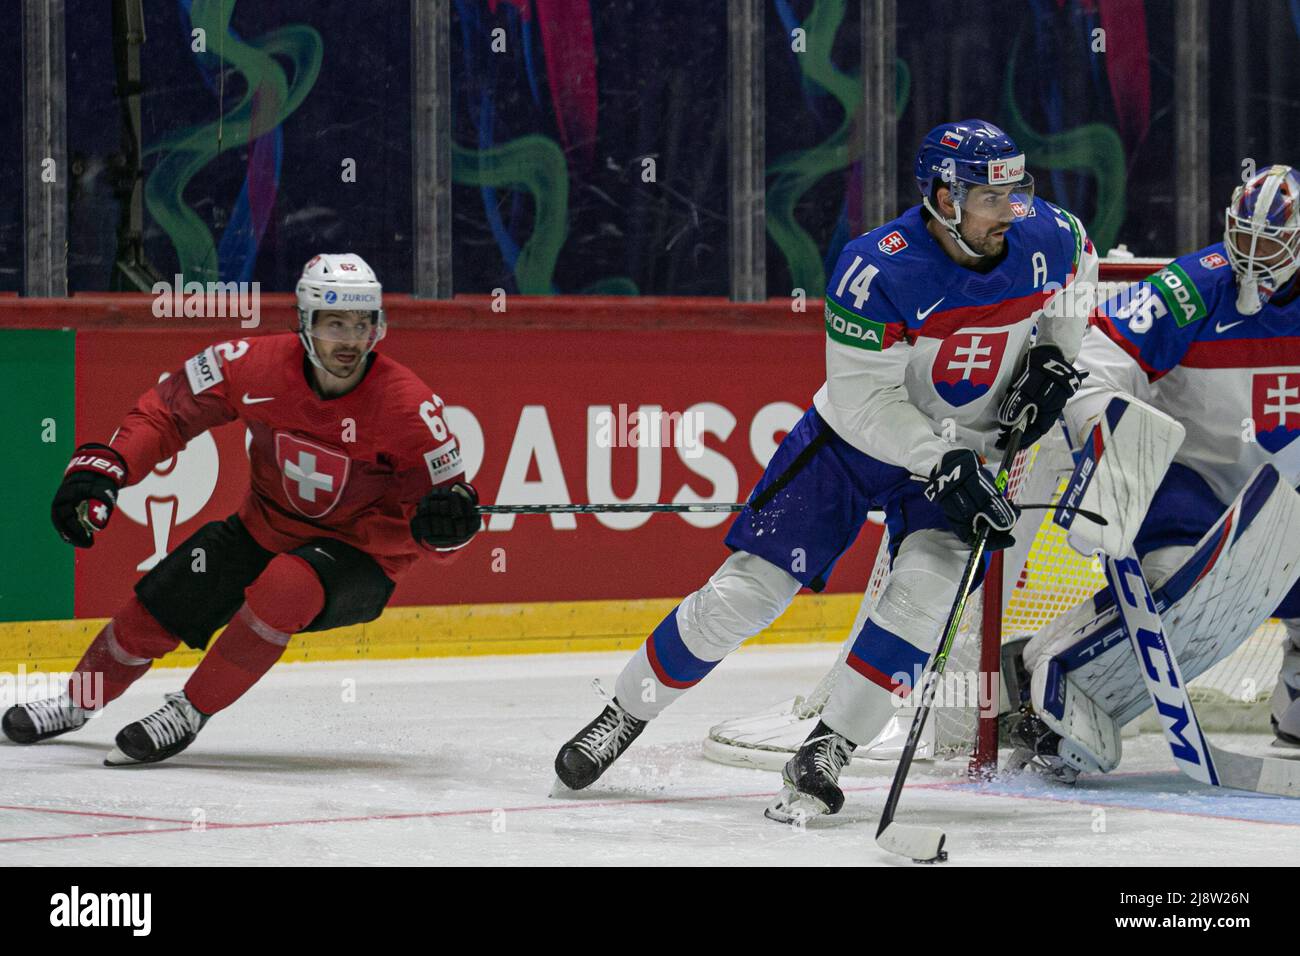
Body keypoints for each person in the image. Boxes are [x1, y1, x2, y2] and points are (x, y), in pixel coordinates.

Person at [553, 120, 1098, 821]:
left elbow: (1083, 261)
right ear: (941, 197)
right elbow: (863, 401)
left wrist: (1057, 350)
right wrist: (942, 458)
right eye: (991, 199)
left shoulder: (1046, 236)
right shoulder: (877, 268)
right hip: (853, 446)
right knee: (744, 596)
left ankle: (829, 746)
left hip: (964, 454)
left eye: (1016, 194)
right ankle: (625, 712)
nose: (1011, 211)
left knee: (924, 598)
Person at [2, 254, 481, 765]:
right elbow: (168, 412)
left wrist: (445, 530)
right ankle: (77, 702)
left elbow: (444, 517)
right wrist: (109, 466)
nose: (349, 341)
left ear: (378, 327)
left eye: (362, 324)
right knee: (157, 606)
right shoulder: (249, 363)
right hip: (262, 528)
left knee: (287, 586)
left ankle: (188, 711)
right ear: (304, 322)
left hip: (359, 557)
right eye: (334, 323)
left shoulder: (412, 410)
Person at [1013, 164, 1300, 775]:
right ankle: (1041, 665)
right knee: (1179, 586)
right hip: (1189, 484)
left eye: (1267, 243)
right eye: (1240, 237)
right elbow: (1094, 360)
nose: (1249, 257)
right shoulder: (1195, 285)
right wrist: (1104, 431)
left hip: (1283, 499)